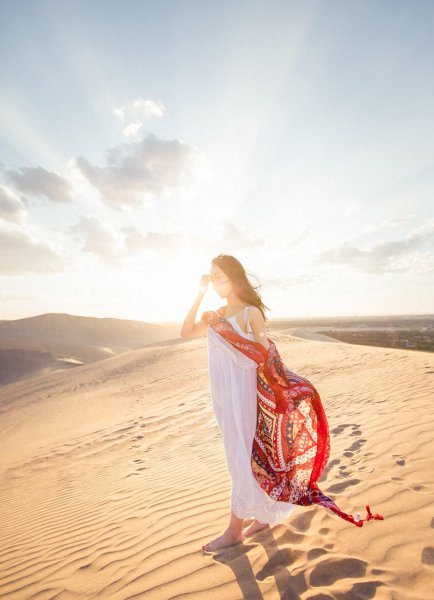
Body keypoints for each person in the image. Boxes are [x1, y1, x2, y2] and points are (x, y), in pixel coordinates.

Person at [180, 254, 295, 552]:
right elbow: (185, 332)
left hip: (246, 396)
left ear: (234, 277)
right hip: (223, 396)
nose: (216, 280)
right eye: (212, 276)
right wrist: (200, 293)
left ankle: (234, 531)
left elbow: (262, 353)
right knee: (242, 455)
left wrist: (235, 339)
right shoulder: (215, 315)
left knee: (242, 457)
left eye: (219, 275)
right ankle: (262, 518)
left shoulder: (250, 313)